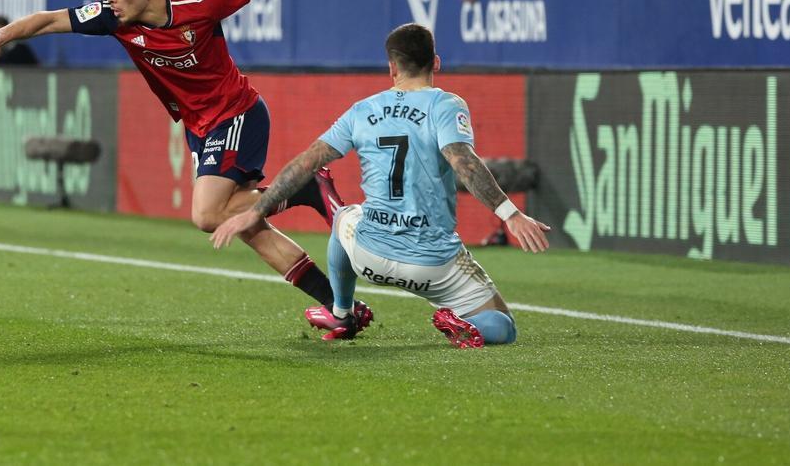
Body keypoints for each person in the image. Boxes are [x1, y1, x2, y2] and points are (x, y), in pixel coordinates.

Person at [0, 0, 371, 317]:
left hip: (235, 113)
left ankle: (304, 186)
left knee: (207, 214)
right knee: (246, 224)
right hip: (201, 127)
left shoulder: (201, 2)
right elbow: (48, 20)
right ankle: (341, 308)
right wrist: (0, 34)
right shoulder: (113, 17)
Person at [211, 24, 550, 346]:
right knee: (503, 326)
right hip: (433, 265)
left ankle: (341, 311)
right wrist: (511, 214)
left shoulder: (363, 110)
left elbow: (306, 163)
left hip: (370, 256)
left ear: (391, 67)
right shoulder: (445, 104)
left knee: (344, 217)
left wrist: (257, 210)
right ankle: (465, 325)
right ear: (435, 62)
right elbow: (465, 163)